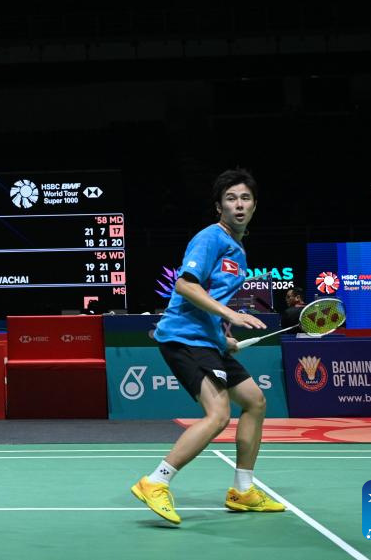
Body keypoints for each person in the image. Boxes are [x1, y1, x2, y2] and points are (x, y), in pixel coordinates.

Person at [131, 169, 284, 524]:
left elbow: (209, 302)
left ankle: (243, 490)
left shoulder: (238, 250)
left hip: (207, 340)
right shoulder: (210, 238)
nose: (239, 204)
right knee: (217, 415)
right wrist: (231, 314)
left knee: (255, 402)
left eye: (245, 198)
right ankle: (156, 482)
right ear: (219, 207)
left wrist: (224, 337)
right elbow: (186, 286)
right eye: (231, 199)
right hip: (183, 338)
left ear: (255, 205)